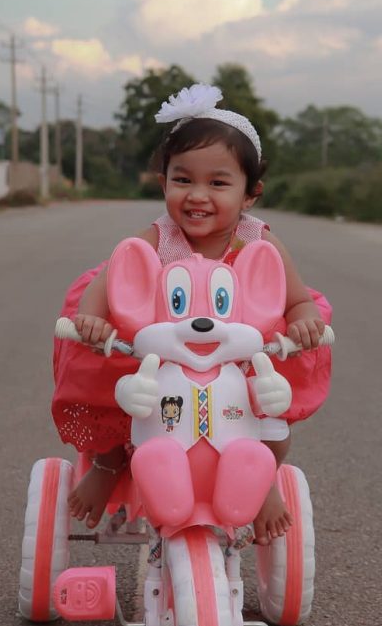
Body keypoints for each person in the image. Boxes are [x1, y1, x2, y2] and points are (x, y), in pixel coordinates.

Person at [52, 84, 331, 544]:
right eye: (183, 180)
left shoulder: (258, 241)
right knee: (120, 394)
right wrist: (93, 320)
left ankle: (261, 479)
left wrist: (303, 320)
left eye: (218, 184)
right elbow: (106, 284)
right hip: (162, 359)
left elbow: (297, 299)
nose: (198, 196)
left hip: (234, 361)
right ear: (164, 183)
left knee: (272, 421)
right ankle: (109, 464)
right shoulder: (157, 239)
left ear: (250, 194)